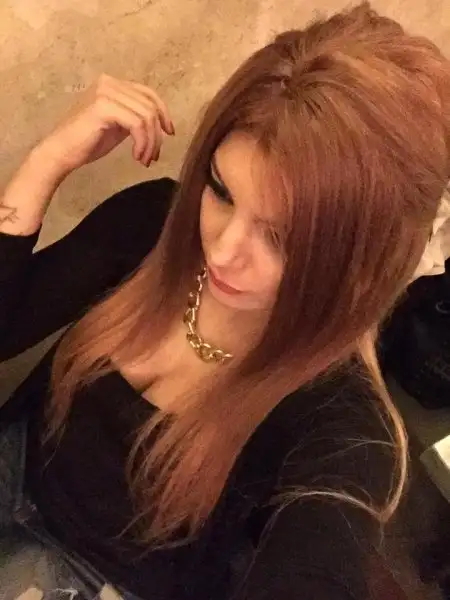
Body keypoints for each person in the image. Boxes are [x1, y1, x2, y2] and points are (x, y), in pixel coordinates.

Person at [0, 2, 448, 599]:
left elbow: (317, 562)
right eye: (222, 190)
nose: (224, 250)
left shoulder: (343, 426)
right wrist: (45, 165)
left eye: (282, 238)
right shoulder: (155, 224)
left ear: (361, 260)